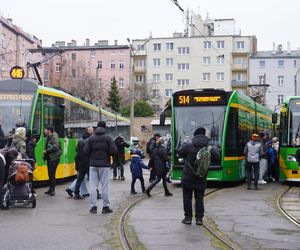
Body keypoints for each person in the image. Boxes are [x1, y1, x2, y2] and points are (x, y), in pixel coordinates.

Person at [177, 127, 212, 225]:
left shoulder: (188, 146)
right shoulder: (208, 147)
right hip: (201, 177)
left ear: (195, 135)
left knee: (187, 198)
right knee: (199, 199)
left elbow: (179, 153)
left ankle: (188, 218)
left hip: (188, 177)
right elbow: (217, 157)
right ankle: (199, 219)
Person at [84, 121, 117, 214]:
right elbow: (114, 151)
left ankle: (93, 207)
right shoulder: (108, 138)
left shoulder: (91, 138)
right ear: (105, 127)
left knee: (93, 186)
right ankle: (105, 207)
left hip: (93, 165)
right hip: (104, 165)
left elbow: (85, 151)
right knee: (105, 186)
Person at [73, 127, 94, 200]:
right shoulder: (91, 139)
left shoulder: (80, 139)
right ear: (88, 131)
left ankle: (76, 193)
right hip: (88, 162)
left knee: (79, 178)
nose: (93, 131)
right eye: (92, 130)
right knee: (92, 179)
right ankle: (96, 193)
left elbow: (76, 149)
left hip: (81, 162)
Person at [43, 125, 62, 196]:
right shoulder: (48, 137)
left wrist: (47, 151)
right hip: (50, 158)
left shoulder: (54, 136)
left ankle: (53, 190)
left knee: (52, 174)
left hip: (54, 158)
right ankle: (50, 189)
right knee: (50, 174)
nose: (44, 131)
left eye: (45, 129)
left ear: (49, 130)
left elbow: (56, 146)